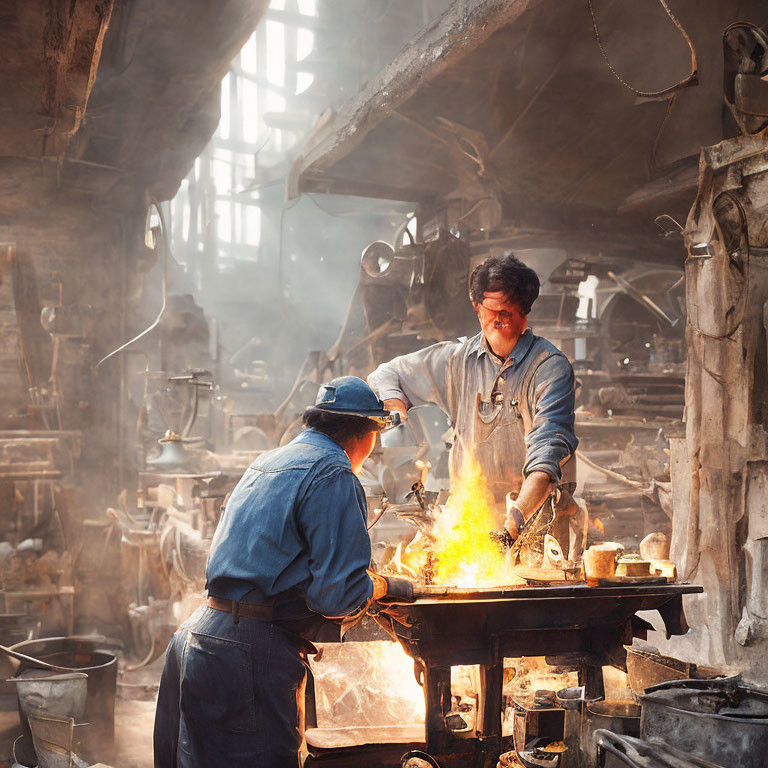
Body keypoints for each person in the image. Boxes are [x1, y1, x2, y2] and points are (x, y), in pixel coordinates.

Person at [153, 376, 404, 768]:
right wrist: (383, 585)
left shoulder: (266, 461)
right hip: (247, 653)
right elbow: (336, 595)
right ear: (364, 434)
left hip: (195, 638)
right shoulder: (334, 472)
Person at [368, 253, 578, 538]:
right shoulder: (457, 361)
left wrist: (516, 518)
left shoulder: (549, 368)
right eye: (491, 312)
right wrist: (395, 401)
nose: (498, 322)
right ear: (477, 309)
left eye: (508, 312)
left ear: (524, 313)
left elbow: (547, 451)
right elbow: (386, 374)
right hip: (473, 524)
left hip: (539, 525)